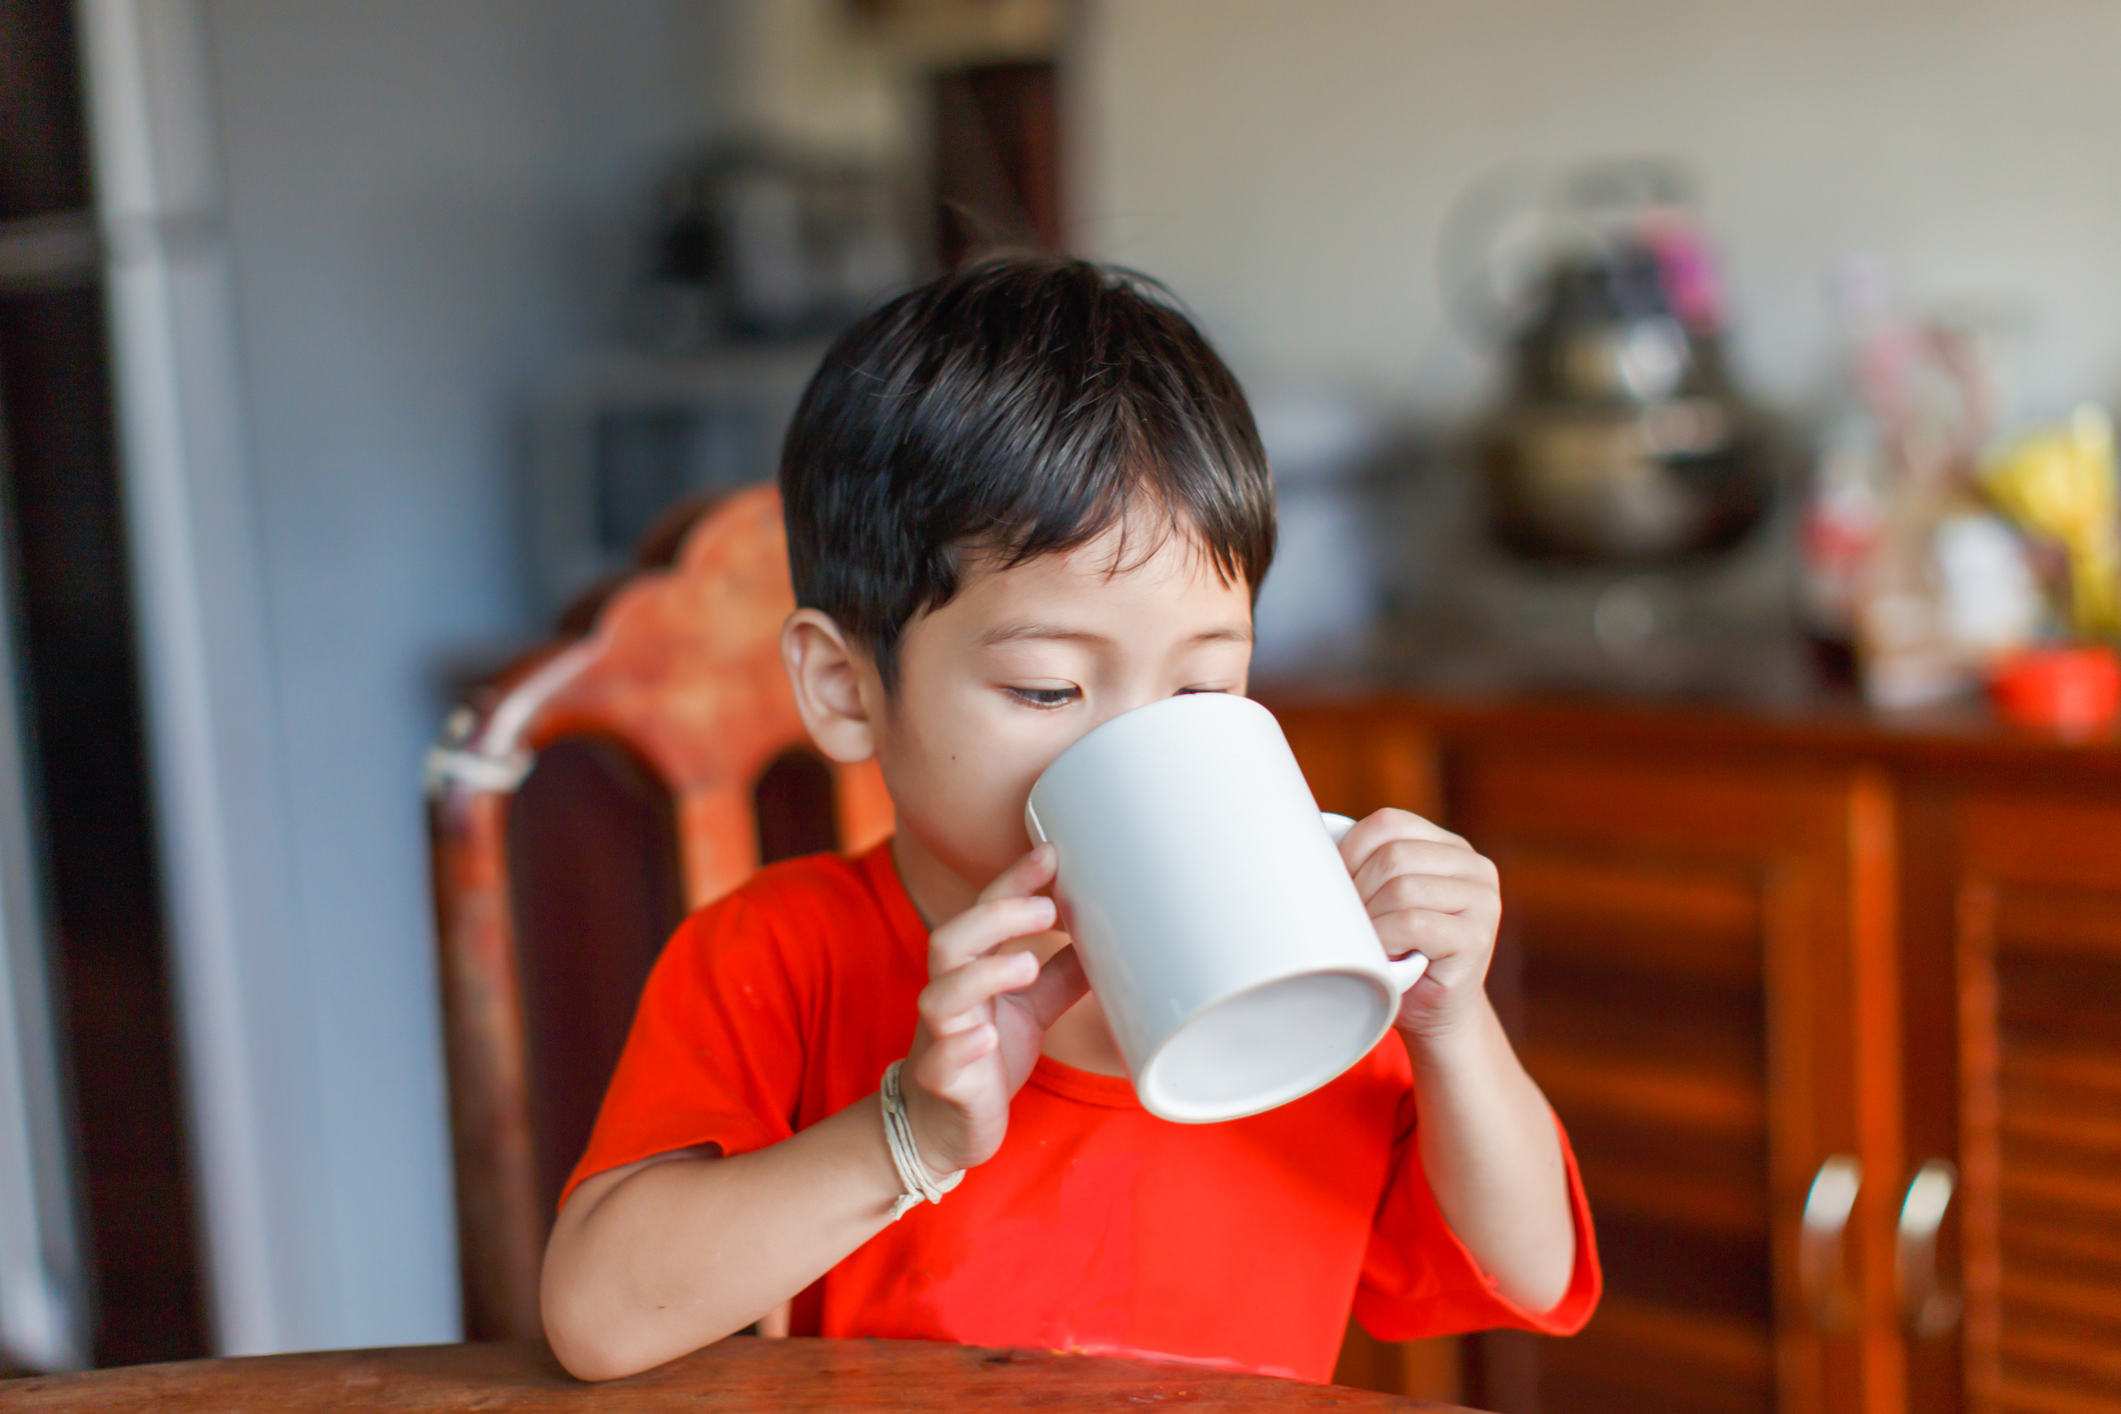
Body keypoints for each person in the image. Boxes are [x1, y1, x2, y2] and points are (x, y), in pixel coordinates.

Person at [539, 256, 1600, 1383]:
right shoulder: (781, 955)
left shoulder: (1306, 960)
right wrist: (911, 1132)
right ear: (847, 688)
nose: (1134, 748)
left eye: (1202, 690)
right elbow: (602, 1319)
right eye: (1049, 688)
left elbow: (1532, 1274)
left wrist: (1451, 1025)